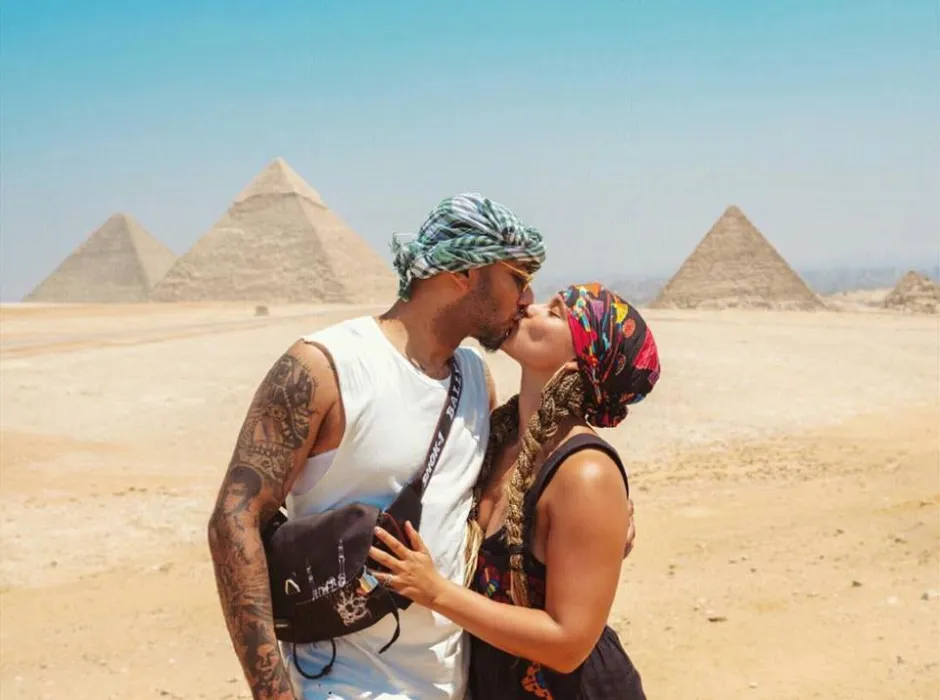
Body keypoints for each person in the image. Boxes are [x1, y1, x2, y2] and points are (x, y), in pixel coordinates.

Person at [207, 192, 548, 700]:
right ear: (465, 273)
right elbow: (233, 521)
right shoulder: (326, 368)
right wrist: (272, 693)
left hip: (450, 683)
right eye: (517, 279)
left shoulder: (476, 380)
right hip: (342, 685)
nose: (526, 300)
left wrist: (596, 498)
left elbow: (493, 497)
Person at [369, 283, 661, 699]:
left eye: (556, 313)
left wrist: (434, 591)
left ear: (583, 363)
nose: (529, 306)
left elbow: (567, 645)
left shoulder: (585, 473)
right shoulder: (497, 440)